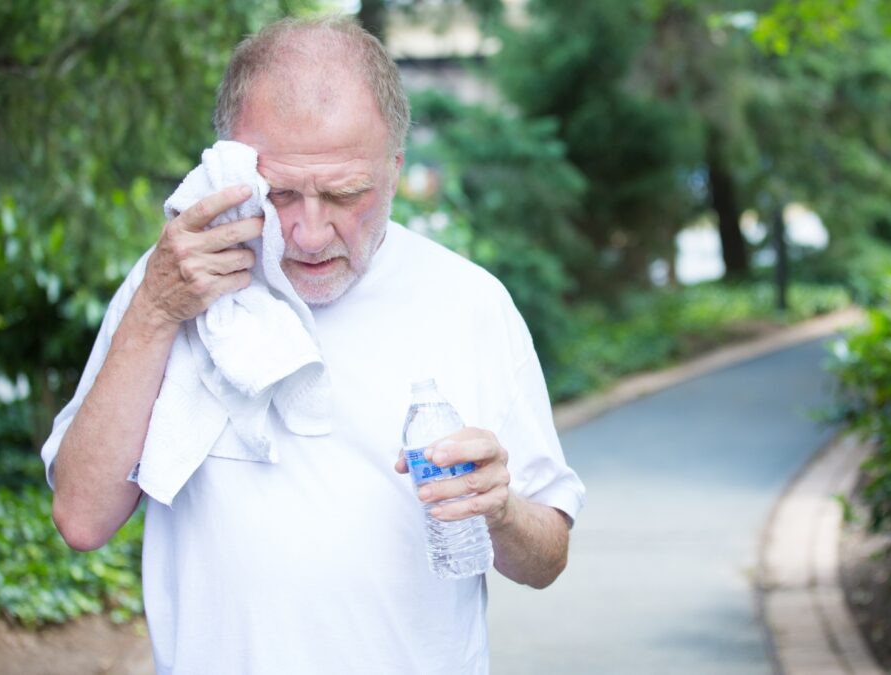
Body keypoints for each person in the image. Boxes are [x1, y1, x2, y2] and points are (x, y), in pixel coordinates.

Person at [40, 16, 584, 675]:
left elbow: (547, 557)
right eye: (279, 193)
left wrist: (500, 508)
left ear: (395, 170)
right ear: (229, 166)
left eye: (345, 192)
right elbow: (81, 517)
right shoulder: (173, 281)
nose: (308, 231)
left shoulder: (469, 303)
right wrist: (156, 309)